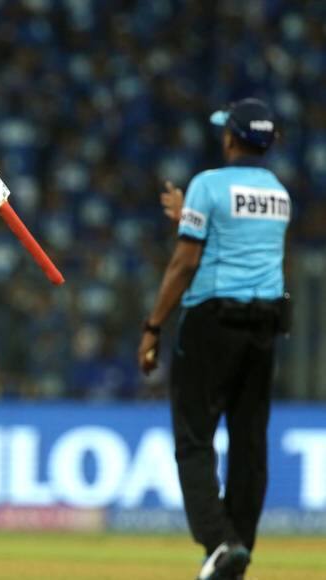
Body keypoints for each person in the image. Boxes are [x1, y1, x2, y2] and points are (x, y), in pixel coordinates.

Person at [138, 98, 289, 580]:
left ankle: (219, 543)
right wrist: (190, 214)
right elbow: (234, 235)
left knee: (194, 439)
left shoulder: (208, 184)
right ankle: (238, 549)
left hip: (212, 323)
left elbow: (186, 262)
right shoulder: (280, 195)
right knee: (250, 442)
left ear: (231, 137)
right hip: (264, 327)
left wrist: (153, 327)